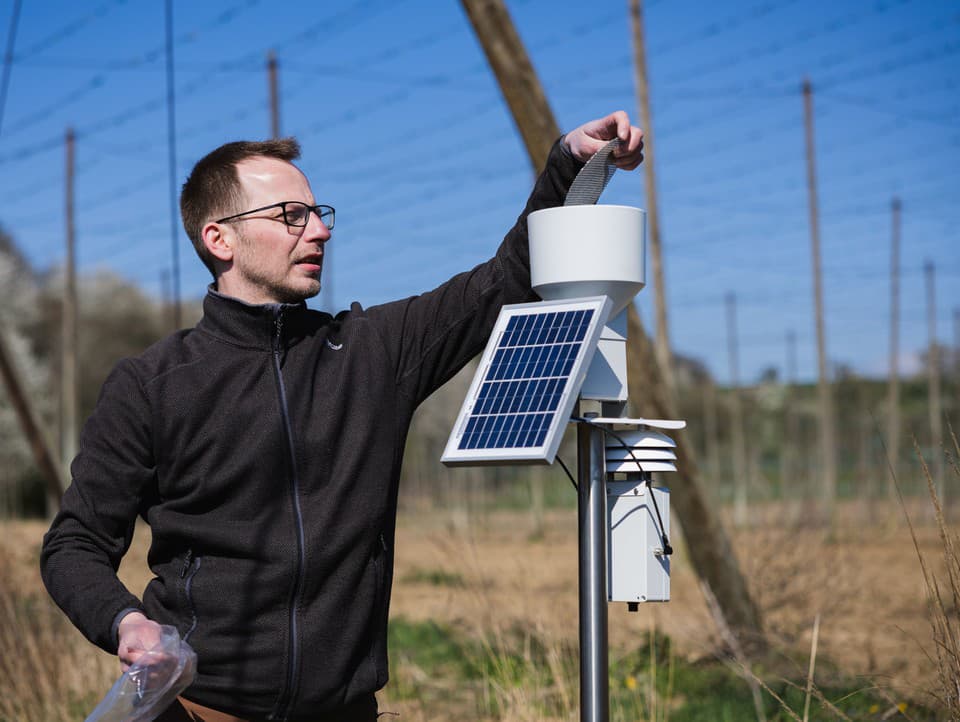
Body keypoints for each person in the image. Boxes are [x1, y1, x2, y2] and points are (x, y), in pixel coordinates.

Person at [40, 111, 644, 722]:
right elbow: (75, 543)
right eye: (288, 216)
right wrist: (127, 622)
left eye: (317, 212)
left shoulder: (375, 352)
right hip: (198, 711)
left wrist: (569, 160)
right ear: (218, 239)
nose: (318, 232)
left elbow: (505, 280)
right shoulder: (152, 385)